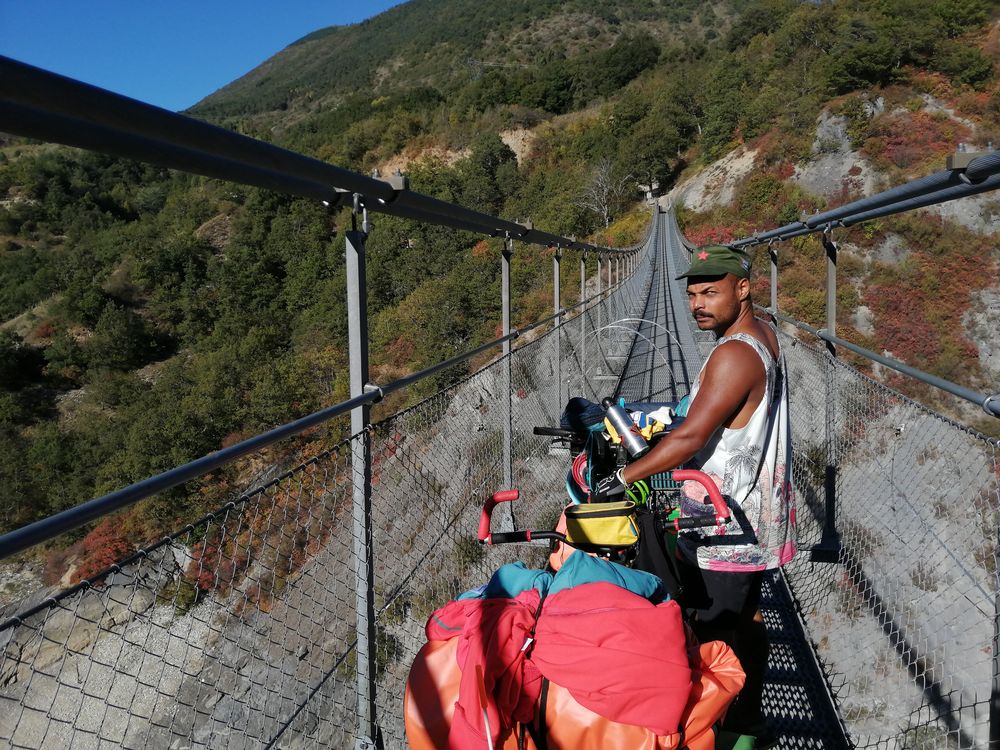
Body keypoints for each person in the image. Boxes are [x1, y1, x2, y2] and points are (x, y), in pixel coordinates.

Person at [592, 243, 795, 741]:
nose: (697, 304)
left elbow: (691, 437)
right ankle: (748, 717)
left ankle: (712, 730)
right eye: (692, 294)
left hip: (725, 518)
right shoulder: (764, 332)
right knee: (745, 616)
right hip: (758, 509)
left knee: (710, 630)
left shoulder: (733, 354)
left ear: (742, 289)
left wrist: (622, 478)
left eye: (710, 293)